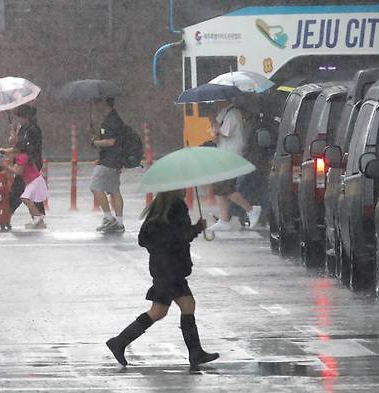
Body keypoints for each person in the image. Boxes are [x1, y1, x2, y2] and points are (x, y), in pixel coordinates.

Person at [106, 190, 219, 368]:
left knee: (174, 308)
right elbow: (180, 237)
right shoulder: (177, 207)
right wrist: (197, 228)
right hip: (171, 269)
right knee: (168, 309)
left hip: (164, 268)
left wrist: (161, 247)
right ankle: (119, 342)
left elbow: (144, 239)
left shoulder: (158, 207)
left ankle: (195, 352)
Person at [207, 100, 262, 232]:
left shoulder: (233, 113)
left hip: (232, 157)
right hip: (223, 156)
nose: (216, 103)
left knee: (226, 188)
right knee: (219, 188)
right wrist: (213, 125)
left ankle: (251, 209)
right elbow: (216, 137)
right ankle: (224, 219)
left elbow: (225, 132)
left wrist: (214, 124)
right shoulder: (223, 113)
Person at [89, 97, 125, 233]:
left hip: (109, 160)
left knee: (95, 186)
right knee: (114, 190)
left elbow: (111, 142)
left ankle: (109, 218)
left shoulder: (112, 121)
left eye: (99, 102)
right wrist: (94, 134)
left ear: (105, 103)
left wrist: (95, 142)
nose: (97, 105)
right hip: (114, 160)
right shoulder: (112, 119)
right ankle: (119, 223)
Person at [2, 104, 45, 216]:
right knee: (29, 190)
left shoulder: (33, 129)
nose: (19, 120)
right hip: (25, 162)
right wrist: (13, 140)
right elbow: (18, 145)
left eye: (20, 117)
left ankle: (8, 213)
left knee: (18, 189)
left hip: (30, 163)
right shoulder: (23, 128)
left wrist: (15, 145)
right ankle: (38, 215)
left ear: (26, 117)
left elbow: (24, 147)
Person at [3, 140, 48, 229]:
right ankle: (37, 220)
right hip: (33, 181)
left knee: (25, 198)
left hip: (34, 181)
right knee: (28, 198)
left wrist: (6, 167)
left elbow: (18, 171)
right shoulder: (23, 156)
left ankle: (38, 216)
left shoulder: (22, 158)